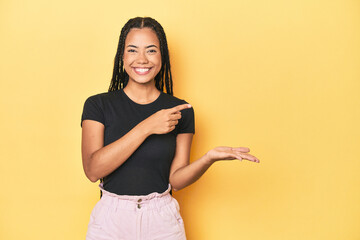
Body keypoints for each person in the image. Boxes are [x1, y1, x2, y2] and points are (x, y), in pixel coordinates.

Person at [81, 16, 260, 240]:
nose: (142, 59)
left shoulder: (181, 110)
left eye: (151, 50)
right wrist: (147, 126)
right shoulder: (98, 105)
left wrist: (208, 158)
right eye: (133, 50)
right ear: (122, 56)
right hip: (111, 220)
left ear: (162, 56)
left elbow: (176, 179)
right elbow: (93, 170)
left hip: (161, 220)